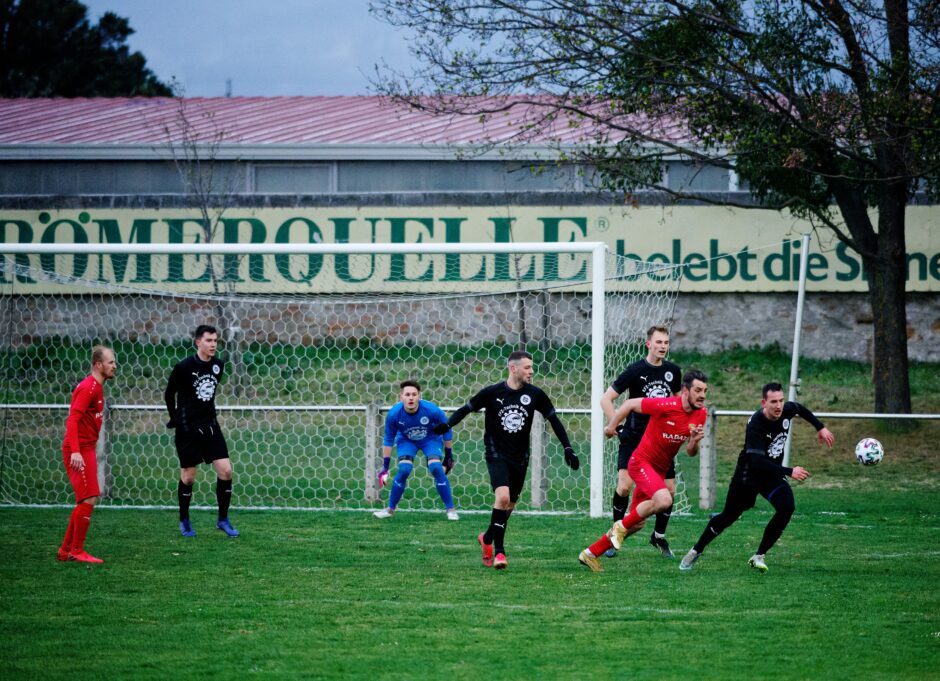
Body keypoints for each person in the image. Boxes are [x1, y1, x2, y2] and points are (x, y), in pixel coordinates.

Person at [433, 350, 580, 570]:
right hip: (496, 453)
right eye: (527, 367)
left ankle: (487, 538)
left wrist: (567, 448)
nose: (532, 371)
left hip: (520, 457)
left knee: (508, 506)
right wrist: (447, 425)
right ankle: (500, 553)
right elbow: (466, 409)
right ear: (513, 368)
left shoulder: (535, 394)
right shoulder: (492, 393)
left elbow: (554, 420)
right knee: (502, 498)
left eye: (532, 367)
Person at [679, 382, 835, 572]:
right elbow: (757, 462)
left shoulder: (785, 410)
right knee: (729, 516)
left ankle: (759, 556)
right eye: (773, 402)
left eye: (781, 401)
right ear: (764, 402)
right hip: (749, 475)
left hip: (771, 475)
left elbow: (799, 408)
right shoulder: (756, 424)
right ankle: (696, 550)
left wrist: (821, 427)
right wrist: (790, 471)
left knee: (787, 507)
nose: (778, 406)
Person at [579, 369, 708, 572]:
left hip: (658, 471)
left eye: (705, 391)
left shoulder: (701, 414)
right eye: (698, 390)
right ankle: (619, 527)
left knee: (637, 524)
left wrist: (694, 441)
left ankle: (590, 553)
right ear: (685, 390)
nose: (702, 395)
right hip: (640, 463)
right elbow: (629, 404)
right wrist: (611, 427)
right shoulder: (666, 405)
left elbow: (691, 452)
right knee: (665, 500)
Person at [600, 325, 682, 559]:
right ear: (648, 344)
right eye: (658, 342)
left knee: (669, 489)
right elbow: (606, 399)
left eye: (666, 342)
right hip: (634, 438)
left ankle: (658, 536)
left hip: (661, 441)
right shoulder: (635, 370)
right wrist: (616, 425)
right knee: (624, 486)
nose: (663, 346)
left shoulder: (673, 371)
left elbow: (677, 403)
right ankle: (616, 533)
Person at [165, 324, 239, 538]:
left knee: (226, 471)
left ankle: (223, 520)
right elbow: (170, 394)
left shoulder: (218, 365)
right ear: (198, 342)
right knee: (188, 477)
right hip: (188, 428)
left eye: (215, 340)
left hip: (210, 426)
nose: (213, 344)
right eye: (208, 340)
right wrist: (174, 417)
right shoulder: (184, 367)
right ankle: (184, 520)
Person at [57, 345, 117, 564]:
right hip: (79, 449)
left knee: (88, 497)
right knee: (88, 497)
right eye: (110, 362)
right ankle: (76, 550)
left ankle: (66, 550)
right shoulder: (88, 388)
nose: (114, 366)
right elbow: (72, 419)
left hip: (87, 448)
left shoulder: (98, 387)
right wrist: (75, 451)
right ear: (98, 365)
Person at [373, 380, 459, 520]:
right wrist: (385, 468)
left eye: (414, 394)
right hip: (407, 440)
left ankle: (451, 510)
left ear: (419, 396)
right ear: (401, 397)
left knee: (436, 467)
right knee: (404, 469)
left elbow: (447, 431)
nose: (411, 397)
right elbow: (388, 439)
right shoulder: (394, 414)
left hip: (430, 439)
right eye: (407, 394)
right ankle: (390, 510)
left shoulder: (432, 410)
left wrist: (448, 456)